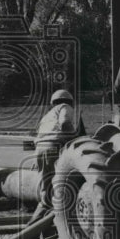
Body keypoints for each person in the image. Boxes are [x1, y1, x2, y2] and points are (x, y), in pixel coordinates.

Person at [31, 89, 77, 223]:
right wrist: (75, 138)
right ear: (69, 101)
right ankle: (58, 223)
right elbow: (65, 123)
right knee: (60, 188)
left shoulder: (47, 116)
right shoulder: (65, 107)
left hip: (39, 149)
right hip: (54, 146)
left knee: (46, 192)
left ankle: (33, 228)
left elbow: (39, 135)